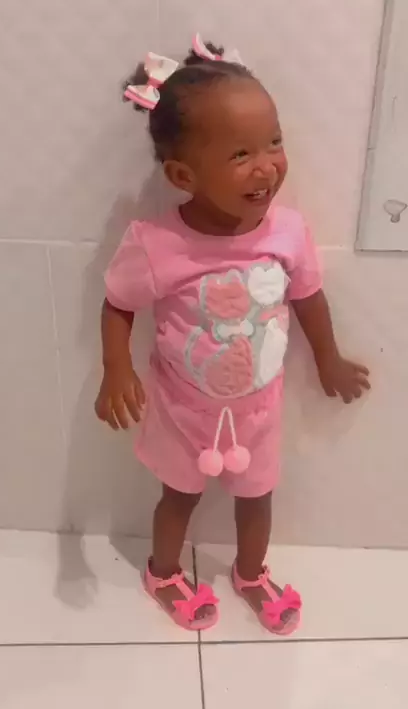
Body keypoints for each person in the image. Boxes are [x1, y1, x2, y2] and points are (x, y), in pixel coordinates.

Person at [95, 35, 370, 634]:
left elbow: (307, 297)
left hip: (258, 410)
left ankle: (251, 573)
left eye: (274, 142)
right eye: (241, 153)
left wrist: (328, 359)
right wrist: (116, 369)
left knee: (258, 496)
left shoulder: (287, 232)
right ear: (183, 174)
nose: (266, 165)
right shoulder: (157, 243)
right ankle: (163, 572)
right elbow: (118, 304)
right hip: (182, 410)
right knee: (179, 496)